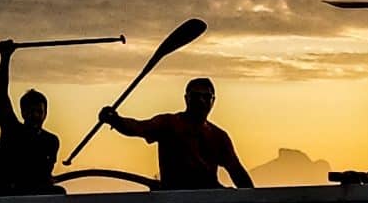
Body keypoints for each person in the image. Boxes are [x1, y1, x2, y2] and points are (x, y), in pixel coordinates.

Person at [95, 76, 253, 190]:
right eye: (195, 96)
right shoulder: (168, 124)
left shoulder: (219, 137)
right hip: (175, 199)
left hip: (208, 200)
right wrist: (115, 120)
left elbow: (238, 173)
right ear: (187, 99)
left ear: (213, 101)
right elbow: (137, 127)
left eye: (206, 97)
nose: (201, 101)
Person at [0, 42, 61, 193]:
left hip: (35, 195)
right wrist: (5, 58)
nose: (35, 116)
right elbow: (2, 94)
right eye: (31, 111)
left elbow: (45, 173)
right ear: (23, 112)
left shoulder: (51, 141)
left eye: (39, 112)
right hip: (6, 193)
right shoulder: (11, 129)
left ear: (45, 113)